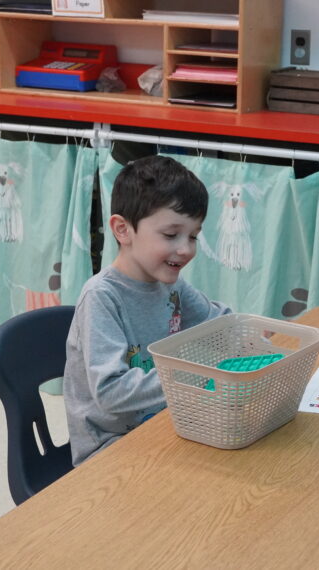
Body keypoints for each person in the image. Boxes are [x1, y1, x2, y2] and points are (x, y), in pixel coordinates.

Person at [64, 155, 230, 466]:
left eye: (193, 236)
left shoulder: (170, 284)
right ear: (123, 230)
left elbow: (220, 324)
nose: (186, 249)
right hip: (109, 450)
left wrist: (255, 333)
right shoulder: (102, 297)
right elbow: (111, 391)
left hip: (165, 426)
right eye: (171, 235)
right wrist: (194, 376)